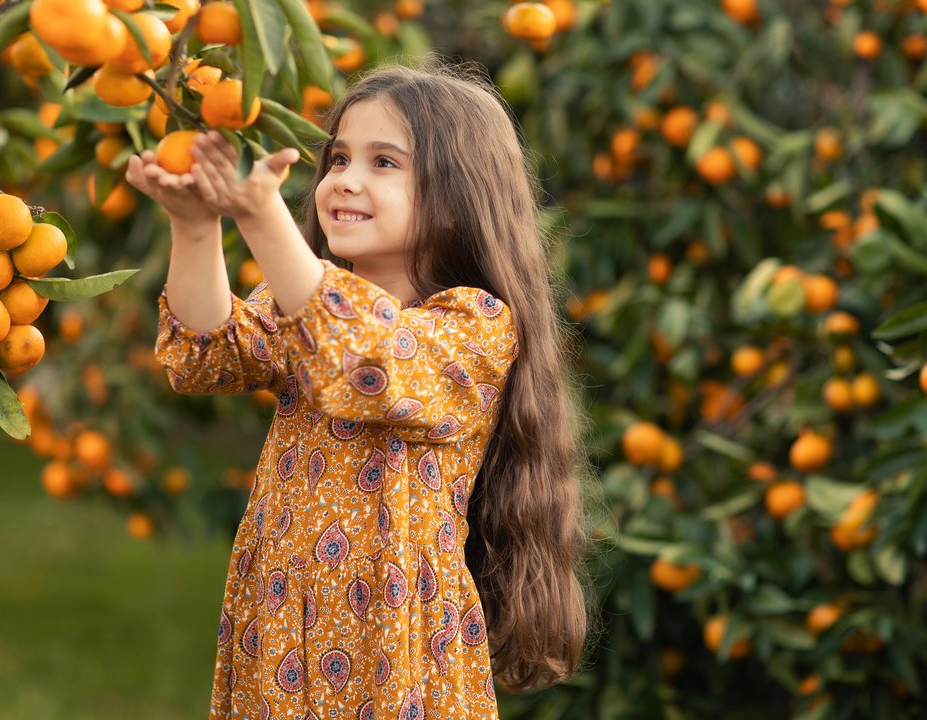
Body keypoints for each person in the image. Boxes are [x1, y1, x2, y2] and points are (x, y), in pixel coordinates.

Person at [127, 61, 591, 719]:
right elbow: (206, 358)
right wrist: (195, 226)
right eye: (339, 158)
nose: (344, 179)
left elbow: (366, 362)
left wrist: (262, 219)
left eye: (383, 163)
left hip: (396, 646)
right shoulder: (306, 305)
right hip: (285, 627)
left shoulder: (474, 325)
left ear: (459, 197)